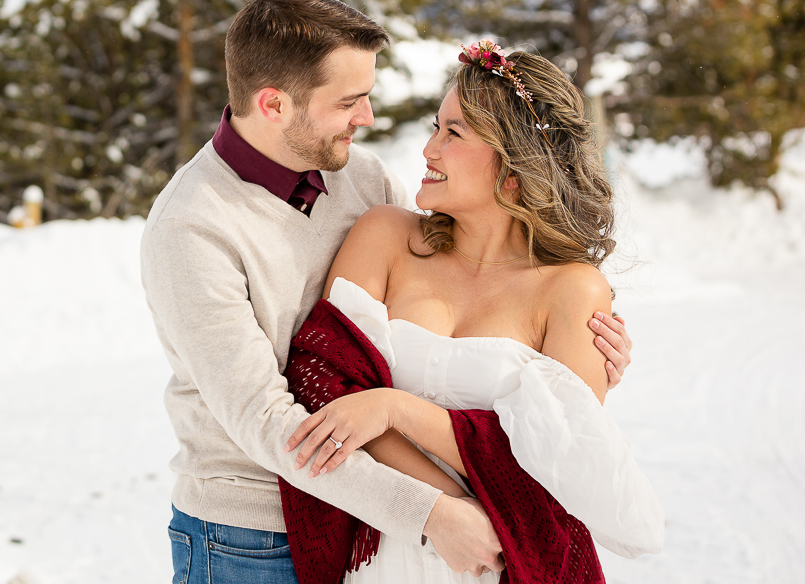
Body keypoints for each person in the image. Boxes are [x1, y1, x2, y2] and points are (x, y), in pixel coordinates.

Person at [141, 0, 633, 584]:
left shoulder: (361, 180)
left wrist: (573, 371)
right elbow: (270, 414)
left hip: (398, 526)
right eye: (350, 100)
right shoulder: (192, 226)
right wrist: (436, 512)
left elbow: (444, 289)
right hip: (250, 534)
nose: (368, 119)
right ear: (273, 104)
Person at [282, 40, 663, 582]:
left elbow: (556, 472)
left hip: (502, 566)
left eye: (452, 133)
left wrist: (395, 408)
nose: (428, 150)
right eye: (435, 127)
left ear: (515, 165)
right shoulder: (386, 238)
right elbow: (323, 385)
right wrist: (447, 510)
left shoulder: (573, 290)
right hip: (382, 554)